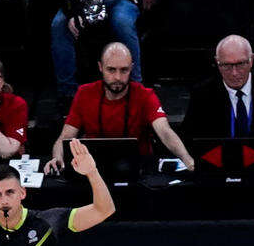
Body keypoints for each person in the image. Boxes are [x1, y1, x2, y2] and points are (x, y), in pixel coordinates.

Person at [53, 39, 191, 168]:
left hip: (138, 171)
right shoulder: (84, 93)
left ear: (131, 68)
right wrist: (57, 158)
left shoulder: (145, 95)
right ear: (100, 67)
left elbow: (165, 132)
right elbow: (64, 138)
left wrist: (187, 159)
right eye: (111, 70)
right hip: (93, 169)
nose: (118, 77)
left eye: (124, 70)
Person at [177, 33, 254, 147]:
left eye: (241, 64)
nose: (234, 73)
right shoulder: (202, 93)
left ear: (251, 60)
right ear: (217, 62)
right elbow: (189, 137)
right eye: (226, 65)